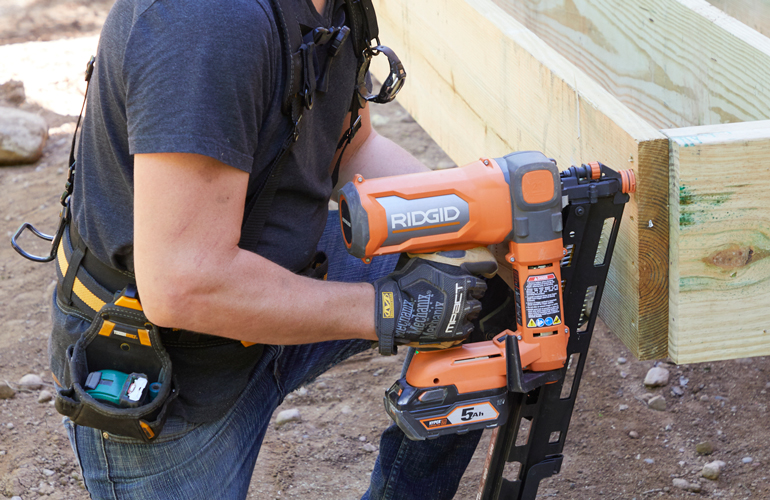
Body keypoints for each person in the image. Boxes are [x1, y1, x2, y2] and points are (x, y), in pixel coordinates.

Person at [48, 0, 486, 498]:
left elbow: (356, 148)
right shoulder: (207, 22)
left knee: (481, 282)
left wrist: (481, 217)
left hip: (284, 274)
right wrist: (389, 310)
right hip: (168, 364)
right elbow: (184, 285)